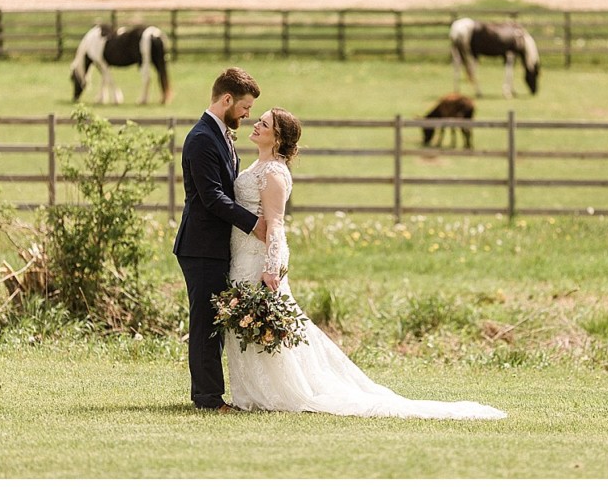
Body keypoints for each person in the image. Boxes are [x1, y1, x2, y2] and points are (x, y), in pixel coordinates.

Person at [223, 107, 506, 420]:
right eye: (260, 121)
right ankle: (250, 392)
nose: (257, 125)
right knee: (245, 321)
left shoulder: (274, 173)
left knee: (262, 323)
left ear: (277, 138)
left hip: (260, 256)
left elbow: (275, 223)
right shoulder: (258, 164)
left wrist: (271, 266)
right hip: (242, 252)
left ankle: (278, 391)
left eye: (264, 124)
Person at [173, 66, 266, 413]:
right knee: (205, 324)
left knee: (213, 321)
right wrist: (253, 223)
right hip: (200, 246)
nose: (247, 114)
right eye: (244, 107)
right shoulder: (201, 139)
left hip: (216, 245)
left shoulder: (220, 135)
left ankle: (211, 394)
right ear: (226, 99)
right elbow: (211, 196)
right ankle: (208, 399)